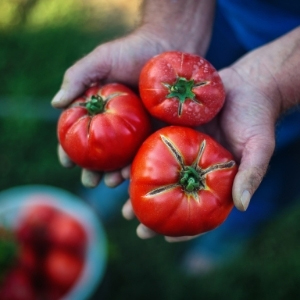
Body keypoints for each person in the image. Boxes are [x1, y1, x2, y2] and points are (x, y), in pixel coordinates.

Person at [51, 0, 300, 263]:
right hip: (224, 14)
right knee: (201, 71)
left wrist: (278, 83)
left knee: (267, 167)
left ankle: (236, 227)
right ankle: (128, 175)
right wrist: (170, 24)